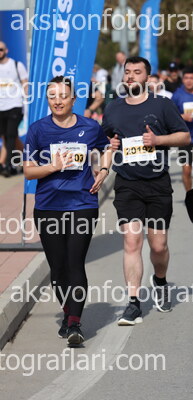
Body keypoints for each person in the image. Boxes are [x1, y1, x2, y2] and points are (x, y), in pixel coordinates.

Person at [24, 76, 112, 346]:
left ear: (74, 99)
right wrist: (53, 166)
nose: (58, 101)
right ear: (47, 100)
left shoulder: (90, 126)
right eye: (52, 96)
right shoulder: (38, 130)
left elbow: (106, 148)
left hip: (82, 204)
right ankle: (67, 311)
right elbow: (28, 170)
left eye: (63, 96)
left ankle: (74, 323)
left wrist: (104, 170)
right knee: (58, 268)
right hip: (48, 206)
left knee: (75, 263)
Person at [102, 56, 191, 325]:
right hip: (127, 183)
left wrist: (158, 139)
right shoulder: (113, 108)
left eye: (136, 72)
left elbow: (184, 136)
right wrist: (105, 163)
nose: (130, 76)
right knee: (132, 242)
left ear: (147, 78)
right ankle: (133, 303)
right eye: (127, 72)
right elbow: (107, 140)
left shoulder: (161, 105)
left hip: (157, 183)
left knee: (158, 246)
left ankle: (160, 281)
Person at [0, 41, 28, 176]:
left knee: (10, 135)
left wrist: (26, 101)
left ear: (6, 50)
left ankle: (8, 165)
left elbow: (25, 84)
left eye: (1, 49)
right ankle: (27, 159)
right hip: (1, 107)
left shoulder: (17, 65)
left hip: (15, 105)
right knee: (9, 136)